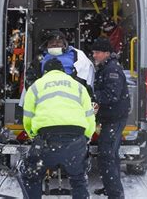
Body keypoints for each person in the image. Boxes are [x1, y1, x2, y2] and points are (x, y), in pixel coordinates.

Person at [21, 58, 95, 198]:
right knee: (78, 179)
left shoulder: (36, 86)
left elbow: (28, 118)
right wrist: (86, 137)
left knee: (32, 177)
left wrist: (33, 136)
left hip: (46, 139)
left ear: (45, 71)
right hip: (75, 137)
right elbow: (89, 116)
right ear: (63, 70)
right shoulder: (79, 86)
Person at [91, 37, 130, 199]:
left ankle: (115, 194)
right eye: (93, 52)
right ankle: (110, 187)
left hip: (115, 117)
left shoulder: (112, 70)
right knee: (111, 154)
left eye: (97, 52)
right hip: (110, 117)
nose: (94, 55)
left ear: (107, 53)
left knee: (106, 155)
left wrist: (91, 96)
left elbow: (111, 95)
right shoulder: (105, 67)